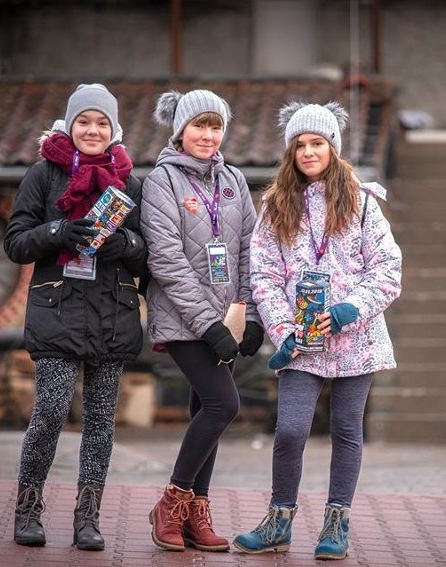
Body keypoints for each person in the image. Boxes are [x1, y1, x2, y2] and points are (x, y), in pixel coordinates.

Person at [232, 102, 402, 560]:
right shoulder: (274, 206)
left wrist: (351, 309)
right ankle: (278, 522)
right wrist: (284, 328)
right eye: (300, 145)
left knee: (347, 430)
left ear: (333, 147)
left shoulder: (363, 202)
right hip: (299, 342)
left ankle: (336, 524)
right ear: (290, 152)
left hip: (356, 338)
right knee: (290, 430)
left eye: (317, 143)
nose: (308, 152)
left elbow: (388, 269)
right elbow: (263, 276)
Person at [4, 83, 147, 551]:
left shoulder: (131, 183)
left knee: (101, 423)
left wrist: (123, 244)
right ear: (70, 124)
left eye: (101, 123)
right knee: (49, 411)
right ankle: (28, 508)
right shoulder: (44, 175)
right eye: (84, 121)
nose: (92, 130)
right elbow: (16, 242)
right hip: (57, 310)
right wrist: (58, 230)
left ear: (113, 130)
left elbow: (148, 255)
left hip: (113, 313)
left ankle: (88, 518)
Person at [140, 89, 264, 552]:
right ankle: (171, 501)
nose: (208, 135)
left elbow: (253, 249)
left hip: (227, 319)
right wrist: (208, 325)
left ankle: (197, 512)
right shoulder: (161, 182)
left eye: (215, 127)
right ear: (180, 130)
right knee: (222, 405)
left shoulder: (233, 180)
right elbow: (167, 260)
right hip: (183, 319)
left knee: (203, 409)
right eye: (199, 126)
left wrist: (250, 315)